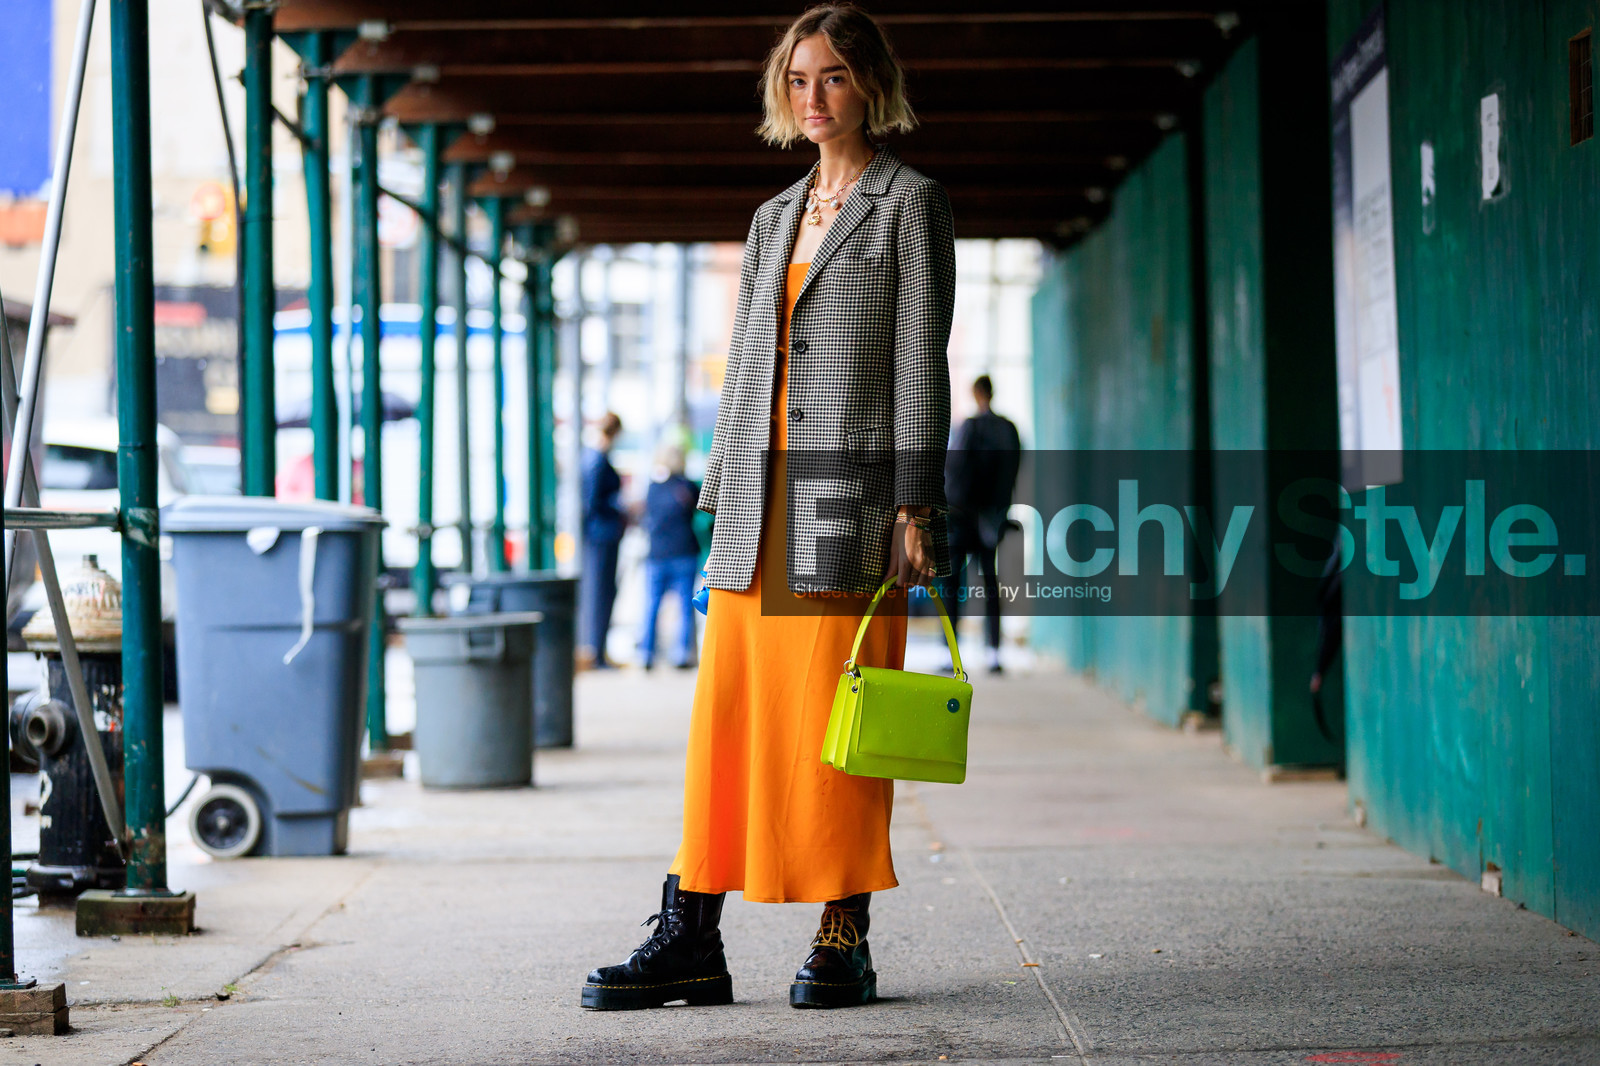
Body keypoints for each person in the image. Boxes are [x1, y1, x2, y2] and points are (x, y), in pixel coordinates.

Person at [581, 3, 954, 1012]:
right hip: (754, 507)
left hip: (849, 503)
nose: (813, 97)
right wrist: (715, 494)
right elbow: (747, 363)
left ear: (869, 82)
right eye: (798, 79)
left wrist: (918, 503)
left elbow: (923, 359)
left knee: (838, 726)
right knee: (729, 721)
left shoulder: (910, 205)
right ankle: (691, 931)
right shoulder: (771, 216)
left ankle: (844, 933)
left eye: (832, 76)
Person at [939, 374, 1021, 673]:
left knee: (952, 586)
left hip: (960, 519)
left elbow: (953, 471)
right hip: (990, 519)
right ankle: (993, 653)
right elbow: (1013, 473)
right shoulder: (1008, 430)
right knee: (989, 582)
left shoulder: (967, 428)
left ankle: (951, 652)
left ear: (976, 394)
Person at [636, 440, 701, 670]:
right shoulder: (688, 487)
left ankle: (646, 653)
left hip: (657, 553)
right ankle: (681, 654)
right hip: (684, 551)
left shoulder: (653, 487)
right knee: (685, 605)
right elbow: (698, 512)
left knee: (651, 605)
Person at [578, 412, 625, 670]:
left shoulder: (592, 457)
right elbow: (592, 501)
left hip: (600, 534)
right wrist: (618, 508)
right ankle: (596, 651)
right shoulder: (597, 459)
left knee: (601, 591)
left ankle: (596, 649)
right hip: (601, 535)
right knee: (600, 591)